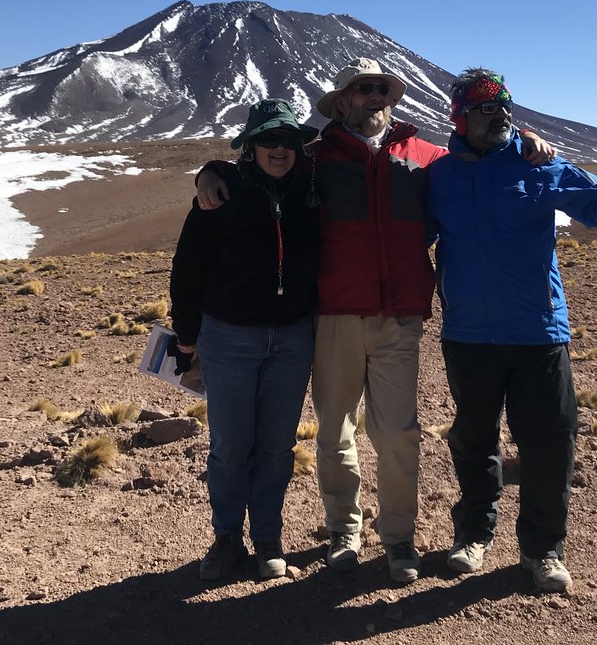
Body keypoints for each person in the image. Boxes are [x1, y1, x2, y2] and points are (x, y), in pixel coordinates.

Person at [196, 58, 555, 584]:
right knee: (334, 432)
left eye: (383, 90)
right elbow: (259, 170)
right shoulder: (314, 159)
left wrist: (519, 132)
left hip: (399, 317)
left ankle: (398, 538)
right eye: (363, 90)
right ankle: (344, 532)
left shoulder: (425, 156)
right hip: (335, 314)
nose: (374, 98)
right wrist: (215, 170)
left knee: (398, 434)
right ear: (342, 101)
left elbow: (478, 154)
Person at [426, 68, 597, 592]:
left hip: (538, 331)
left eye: (505, 105)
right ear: (460, 117)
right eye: (484, 108)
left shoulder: (538, 163)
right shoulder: (441, 175)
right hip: (469, 334)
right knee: (475, 439)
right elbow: (405, 229)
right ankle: (474, 536)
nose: (500, 114)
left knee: (549, 441)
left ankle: (543, 548)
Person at [170, 98, 321, 582]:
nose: (279, 149)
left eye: (287, 140)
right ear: (250, 146)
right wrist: (187, 340)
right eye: (267, 140)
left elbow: (345, 137)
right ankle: (227, 538)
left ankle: (269, 539)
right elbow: (187, 268)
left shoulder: (312, 187)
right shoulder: (221, 193)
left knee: (277, 447)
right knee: (231, 446)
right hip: (230, 337)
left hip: (294, 338)